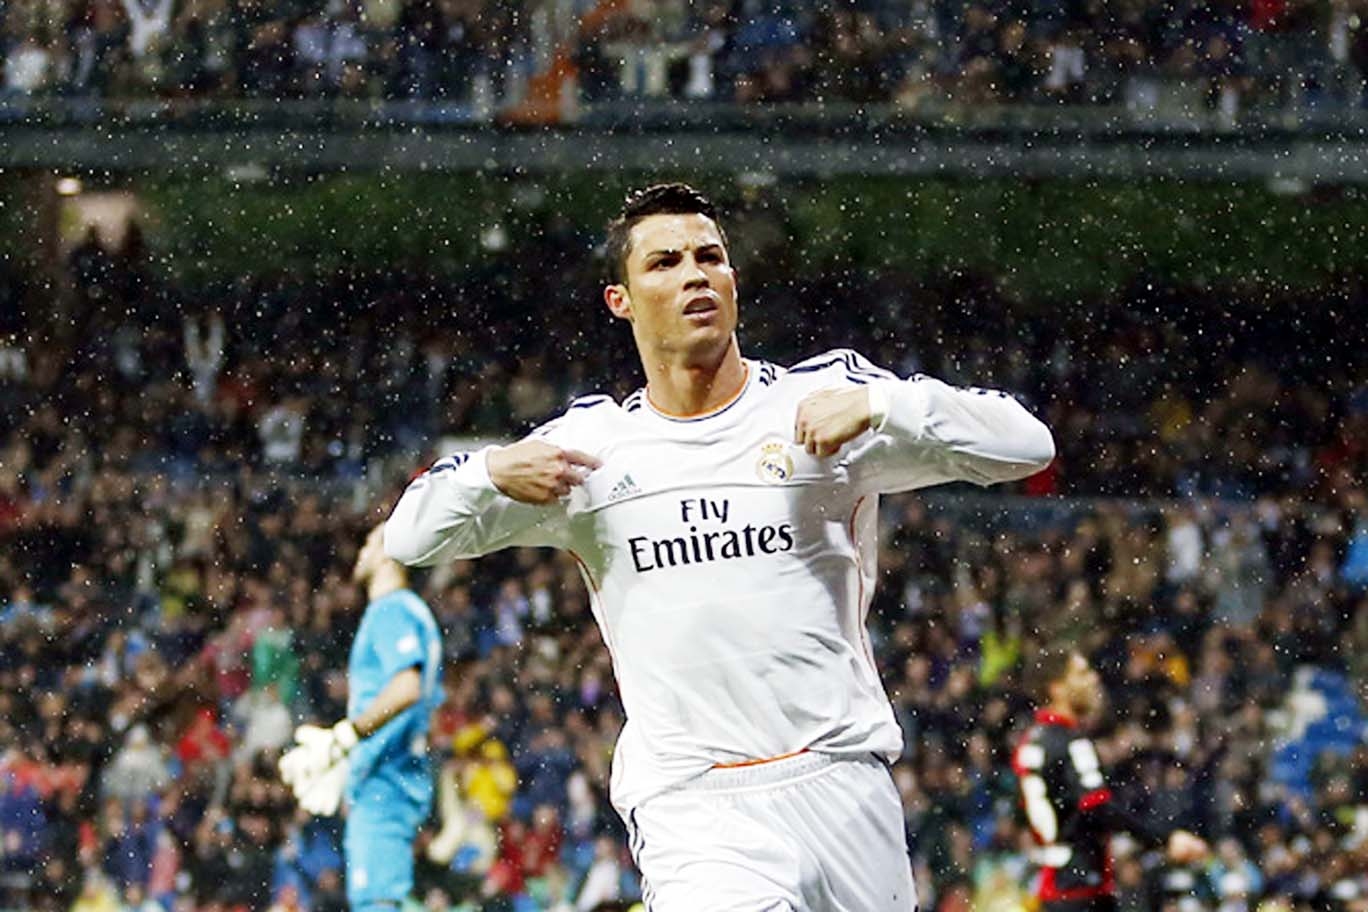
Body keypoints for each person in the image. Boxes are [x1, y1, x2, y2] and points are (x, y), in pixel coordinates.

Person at [384, 183, 1055, 911]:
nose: (695, 274)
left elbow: (1026, 444)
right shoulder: (590, 449)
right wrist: (487, 470)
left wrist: (887, 403)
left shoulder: (822, 403)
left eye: (711, 257)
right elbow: (411, 536)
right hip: (695, 806)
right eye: (665, 263)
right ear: (621, 301)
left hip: (843, 782)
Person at [279, 523, 443, 911]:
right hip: (391, 778)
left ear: (389, 552)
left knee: (377, 902)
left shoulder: (392, 610)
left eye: (369, 542)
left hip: (385, 783)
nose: (361, 551)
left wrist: (346, 738)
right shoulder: (412, 613)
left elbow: (407, 687)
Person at [1012, 649, 1210, 912]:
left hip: (1054, 885)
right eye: (1082, 673)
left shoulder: (1033, 741)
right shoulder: (1070, 743)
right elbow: (1097, 808)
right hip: (1082, 888)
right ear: (1057, 688)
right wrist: (1163, 839)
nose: (1093, 679)